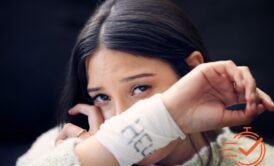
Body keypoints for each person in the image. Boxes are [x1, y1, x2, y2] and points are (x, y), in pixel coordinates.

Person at [16, 0, 274, 165]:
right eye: (102, 97)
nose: (119, 117)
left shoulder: (255, 161)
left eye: (140, 88)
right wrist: (104, 156)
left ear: (192, 70)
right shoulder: (61, 146)